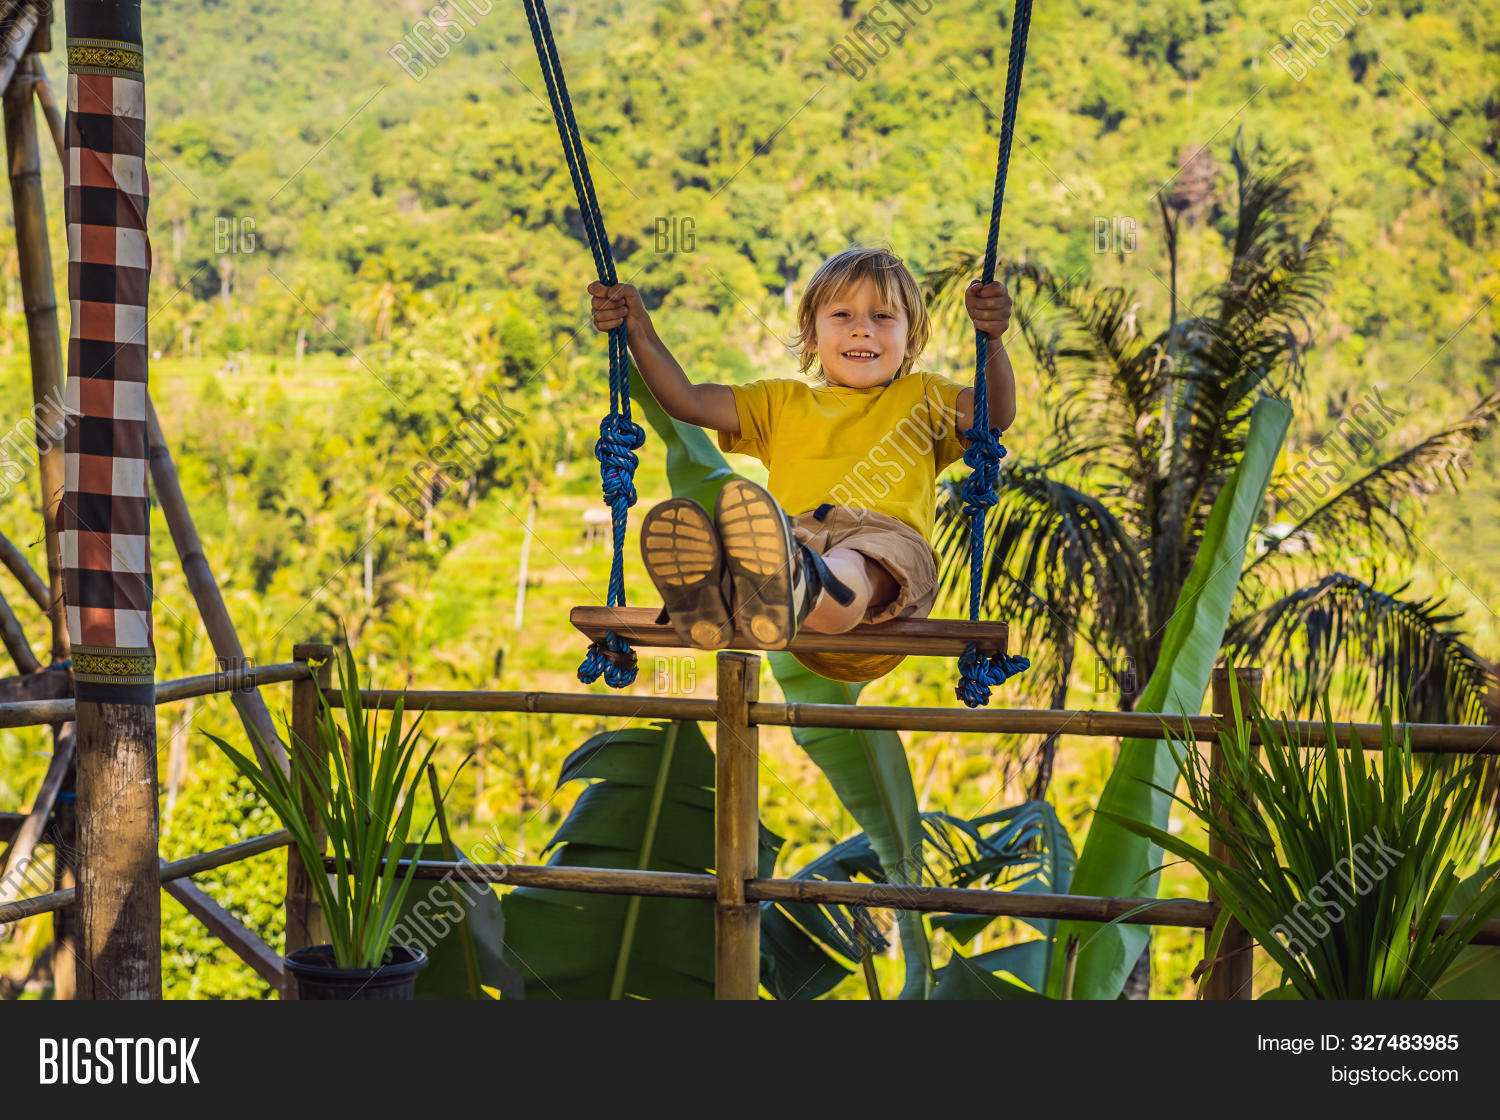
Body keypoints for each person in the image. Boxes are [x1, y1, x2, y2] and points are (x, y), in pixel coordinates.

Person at [587, 244, 1016, 682]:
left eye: (883, 317)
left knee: (853, 560)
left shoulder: (927, 397)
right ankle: (724, 594)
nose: (862, 330)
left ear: (911, 340)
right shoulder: (780, 402)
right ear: (812, 335)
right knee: (771, 547)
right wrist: (638, 329)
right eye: (842, 316)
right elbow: (689, 401)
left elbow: (994, 415)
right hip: (792, 543)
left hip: (886, 552)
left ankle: (794, 584)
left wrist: (993, 337)